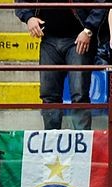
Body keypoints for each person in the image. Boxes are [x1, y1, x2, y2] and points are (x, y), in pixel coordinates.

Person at [17, 0, 105, 130]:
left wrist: (88, 30)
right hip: (48, 38)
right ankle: (52, 143)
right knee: (49, 95)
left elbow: (101, 3)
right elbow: (20, 1)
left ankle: (81, 144)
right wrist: (28, 17)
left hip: (78, 37)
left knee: (79, 94)